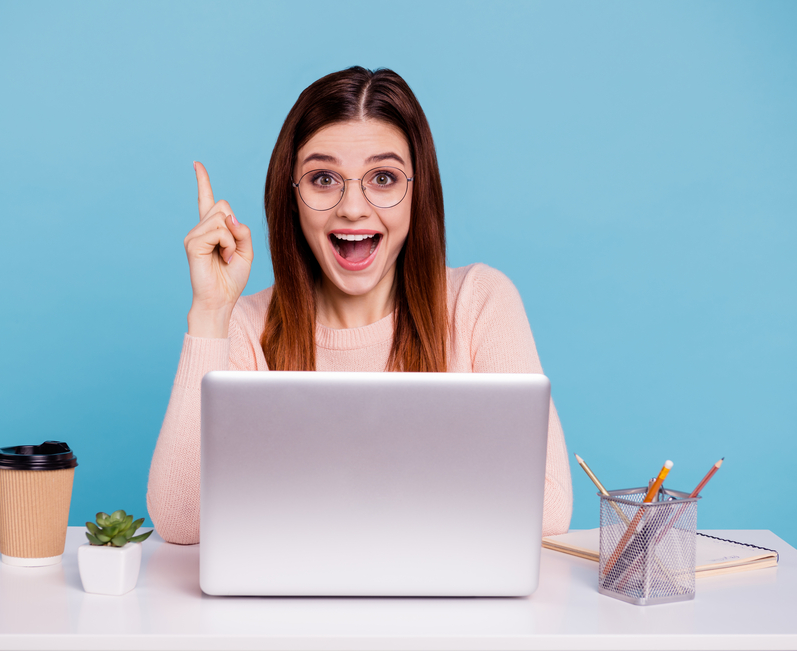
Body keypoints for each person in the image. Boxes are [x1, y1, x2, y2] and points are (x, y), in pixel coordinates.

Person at [147, 66, 573, 544]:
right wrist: (210, 313)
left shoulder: (479, 302)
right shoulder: (247, 327)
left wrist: (298, 497)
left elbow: (548, 503)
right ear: (292, 198)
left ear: (418, 193)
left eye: (384, 177)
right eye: (324, 178)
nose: (352, 207)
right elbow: (183, 522)